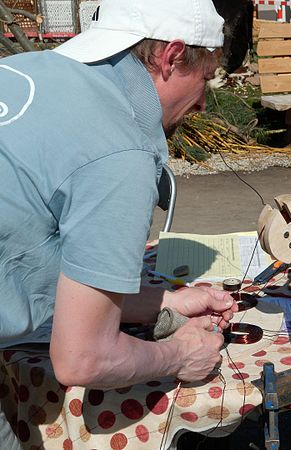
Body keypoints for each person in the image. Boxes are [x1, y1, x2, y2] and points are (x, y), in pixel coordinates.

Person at [0, 0, 238, 399]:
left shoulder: (24, 68)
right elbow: (83, 358)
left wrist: (163, 302)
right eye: (206, 79)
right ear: (172, 56)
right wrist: (179, 354)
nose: (201, 102)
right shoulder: (121, 152)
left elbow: (39, 260)